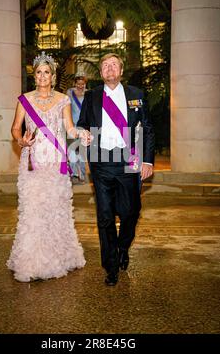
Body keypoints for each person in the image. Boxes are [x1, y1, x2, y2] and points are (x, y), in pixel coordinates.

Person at [7, 52, 86, 282]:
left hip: (55, 163)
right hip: (32, 162)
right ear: (35, 76)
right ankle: (31, 261)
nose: (43, 76)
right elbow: (14, 128)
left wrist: (82, 134)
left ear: (53, 76)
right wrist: (22, 140)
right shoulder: (24, 100)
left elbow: (70, 129)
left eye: (47, 72)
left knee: (55, 210)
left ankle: (60, 256)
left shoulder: (63, 99)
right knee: (33, 210)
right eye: (39, 72)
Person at [77, 53, 155, 286]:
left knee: (131, 211)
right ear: (101, 73)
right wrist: (83, 133)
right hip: (100, 161)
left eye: (114, 65)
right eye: (105, 66)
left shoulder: (136, 95)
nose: (109, 69)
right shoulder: (92, 96)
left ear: (121, 71)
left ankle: (122, 247)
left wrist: (148, 161)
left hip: (129, 158)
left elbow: (147, 128)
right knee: (105, 216)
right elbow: (81, 123)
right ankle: (110, 266)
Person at [66, 75, 87, 184]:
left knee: (82, 151)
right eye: (78, 83)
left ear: (85, 84)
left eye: (82, 84)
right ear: (75, 84)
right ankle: (74, 173)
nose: (80, 86)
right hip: (72, 126)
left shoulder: (88, 94)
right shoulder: (69, 93)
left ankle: (82, 174)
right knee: (72, 150)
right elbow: (66, 108)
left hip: (83, 126)